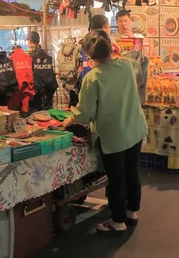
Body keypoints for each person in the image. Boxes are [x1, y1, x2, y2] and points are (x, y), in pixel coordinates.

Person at [63, 30, 148, 233]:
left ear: (89, 54)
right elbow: (140, 61)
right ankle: (131, 212)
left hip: (113, 135)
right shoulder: (126, 66)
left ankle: (118, 222)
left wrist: (71, 118)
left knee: (117, 179)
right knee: (132, 173)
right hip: (135, 128)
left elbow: (85, 114)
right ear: (110, 47)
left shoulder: (93, 78)